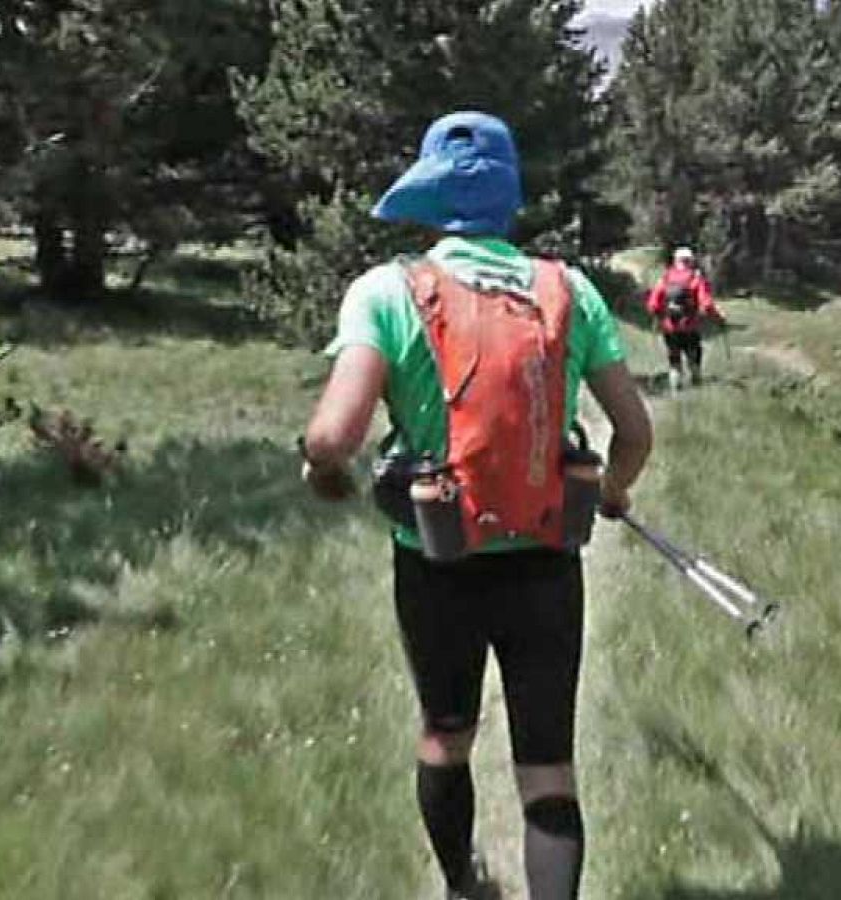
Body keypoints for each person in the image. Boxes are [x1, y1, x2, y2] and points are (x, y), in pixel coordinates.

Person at [298, 111, 653, 900]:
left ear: (428, 194)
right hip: (546, 559)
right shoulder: (570, 290)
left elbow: (332, 439)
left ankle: (463, 887)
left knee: (444, 736)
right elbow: (633, 429)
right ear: (508, 196)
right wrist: (614, 494)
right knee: (547, 766)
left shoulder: (387, 292)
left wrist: (327, 475)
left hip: (437, 555)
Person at [645, 246, 726, 389]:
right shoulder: (695, 279)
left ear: (676, 261)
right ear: (690, 261)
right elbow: (706, 304)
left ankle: (676, 392)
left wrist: (659, 316)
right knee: (694, 357)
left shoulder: (665, 279)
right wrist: (718, 318)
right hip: (690, 327)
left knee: (674, 361)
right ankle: (696, 385)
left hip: (669, 328)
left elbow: (652, 305)